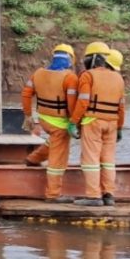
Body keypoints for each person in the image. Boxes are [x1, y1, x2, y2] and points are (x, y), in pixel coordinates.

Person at [69, 41, 125, 207]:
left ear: (92, 58)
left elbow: (83, 102)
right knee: (108, 160)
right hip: (112, 124)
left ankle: (93, 196)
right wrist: (120, 127)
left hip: (93, 122)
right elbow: (121, 107)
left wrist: (73, 122)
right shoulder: (118, 78)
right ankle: (109, 195)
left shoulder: (88, 75)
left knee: (91, 160)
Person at [20, 43, 78, 201]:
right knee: (58, 160)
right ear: (70, 59)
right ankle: (53, 194)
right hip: (61, 123)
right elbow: (72, 103)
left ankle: (33, 159)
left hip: (44, 119)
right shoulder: (70, 77)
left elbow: (26, 93)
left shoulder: (38, 73)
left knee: (53, 141)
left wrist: (28, 115)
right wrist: (75, 122)